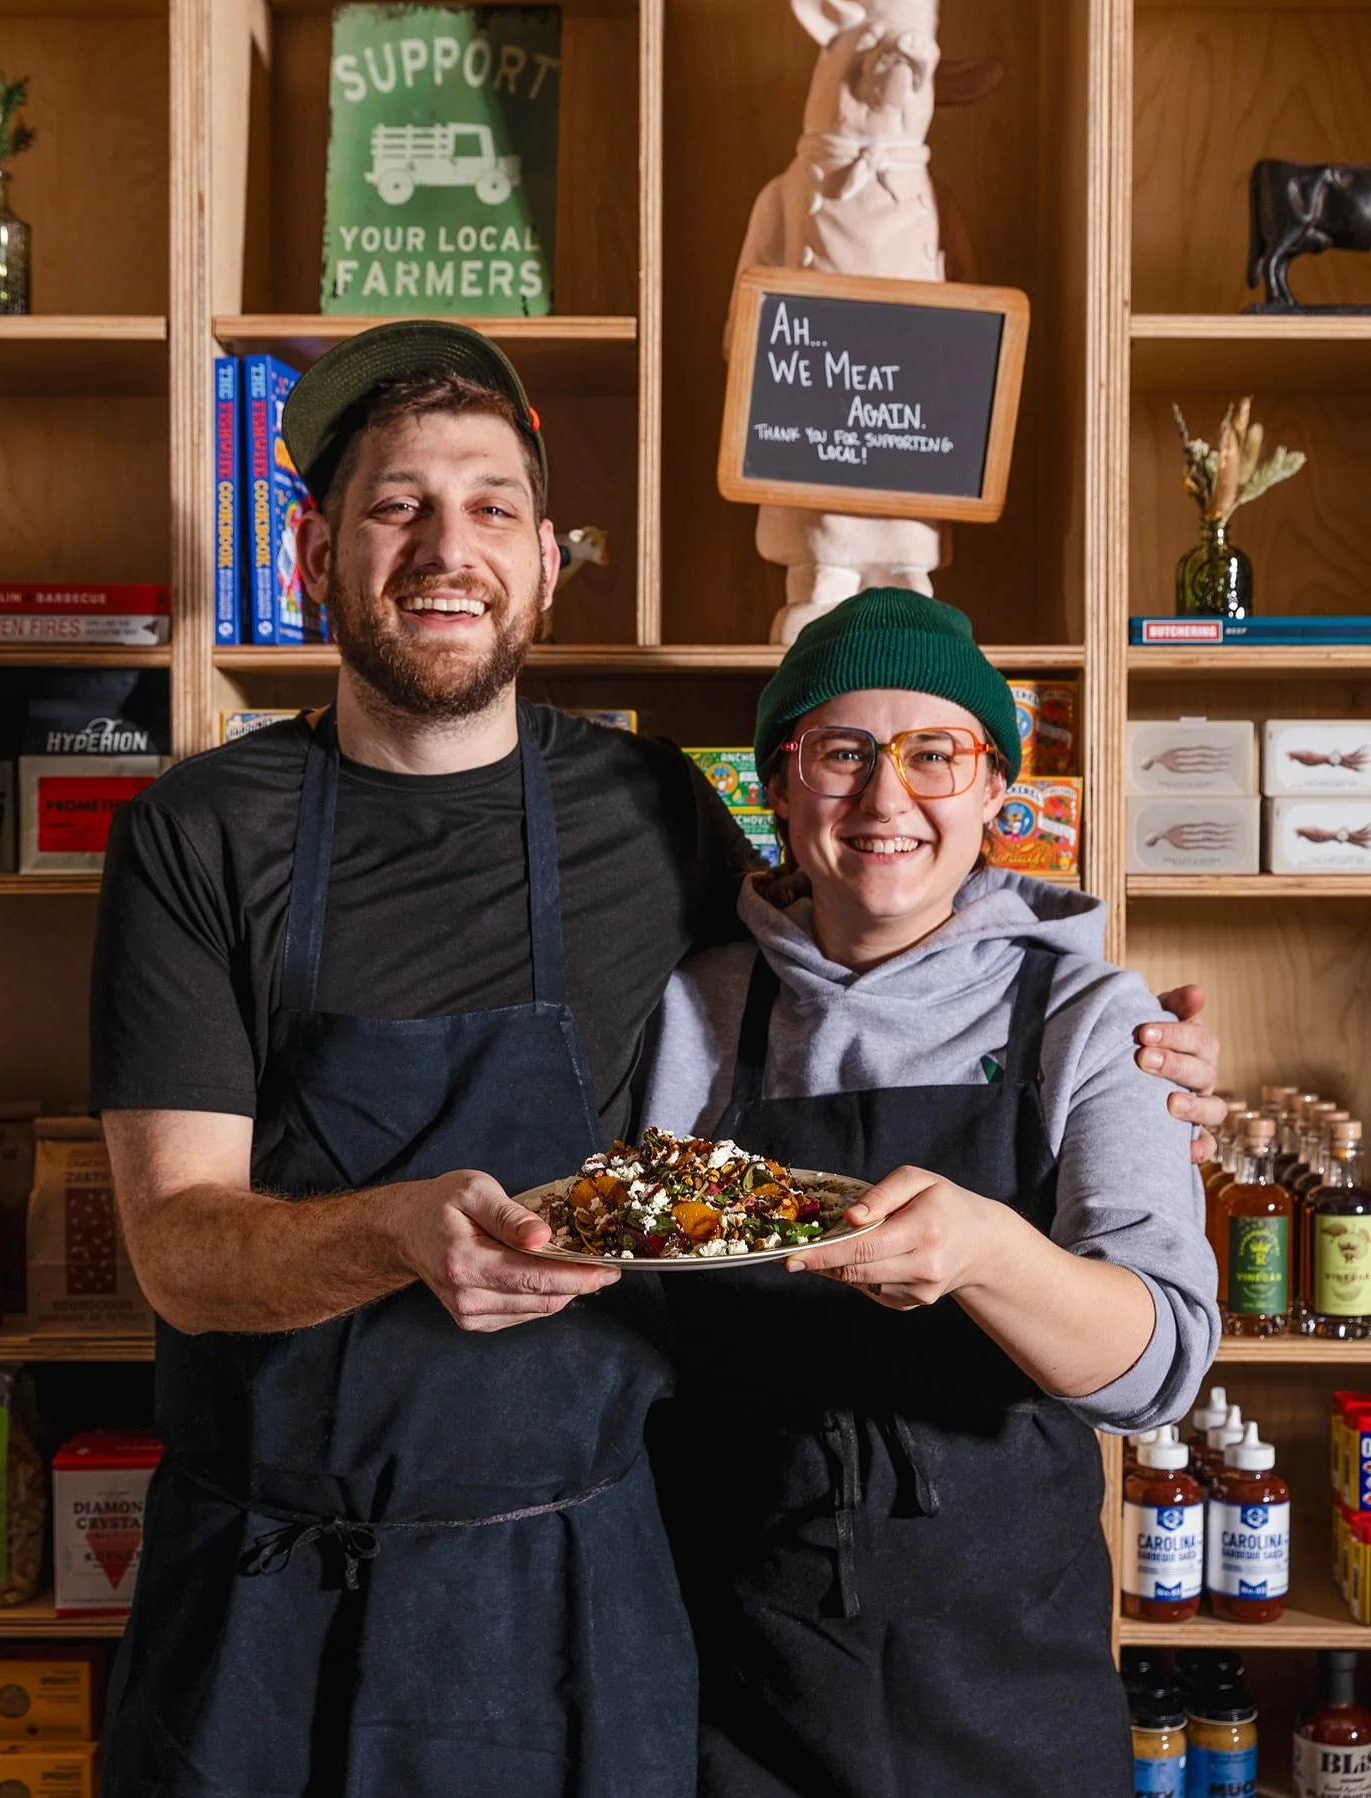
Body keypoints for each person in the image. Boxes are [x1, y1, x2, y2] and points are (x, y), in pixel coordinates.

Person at [88, 321, 1221, 1796]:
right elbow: (177, 1248)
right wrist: (389, 1229)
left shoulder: (647, 808)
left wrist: (1148, 1056)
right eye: (394, 506)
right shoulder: (197, 832)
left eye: (493, 506)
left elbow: (872, 930)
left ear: (552, 559)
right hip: (272, 1579)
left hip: (587, 1579)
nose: (449, 548)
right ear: (313, 552)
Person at [638, 587, 1221, 1798]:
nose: (886, 798)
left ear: (996, 787)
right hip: (735, 1663)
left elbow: (1159, 1359)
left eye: (934, 753)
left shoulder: (1088, 1015)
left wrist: (991, 1255)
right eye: (841, 753)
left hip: (1009, 1671)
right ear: (780, 786)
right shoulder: (693, 1009)